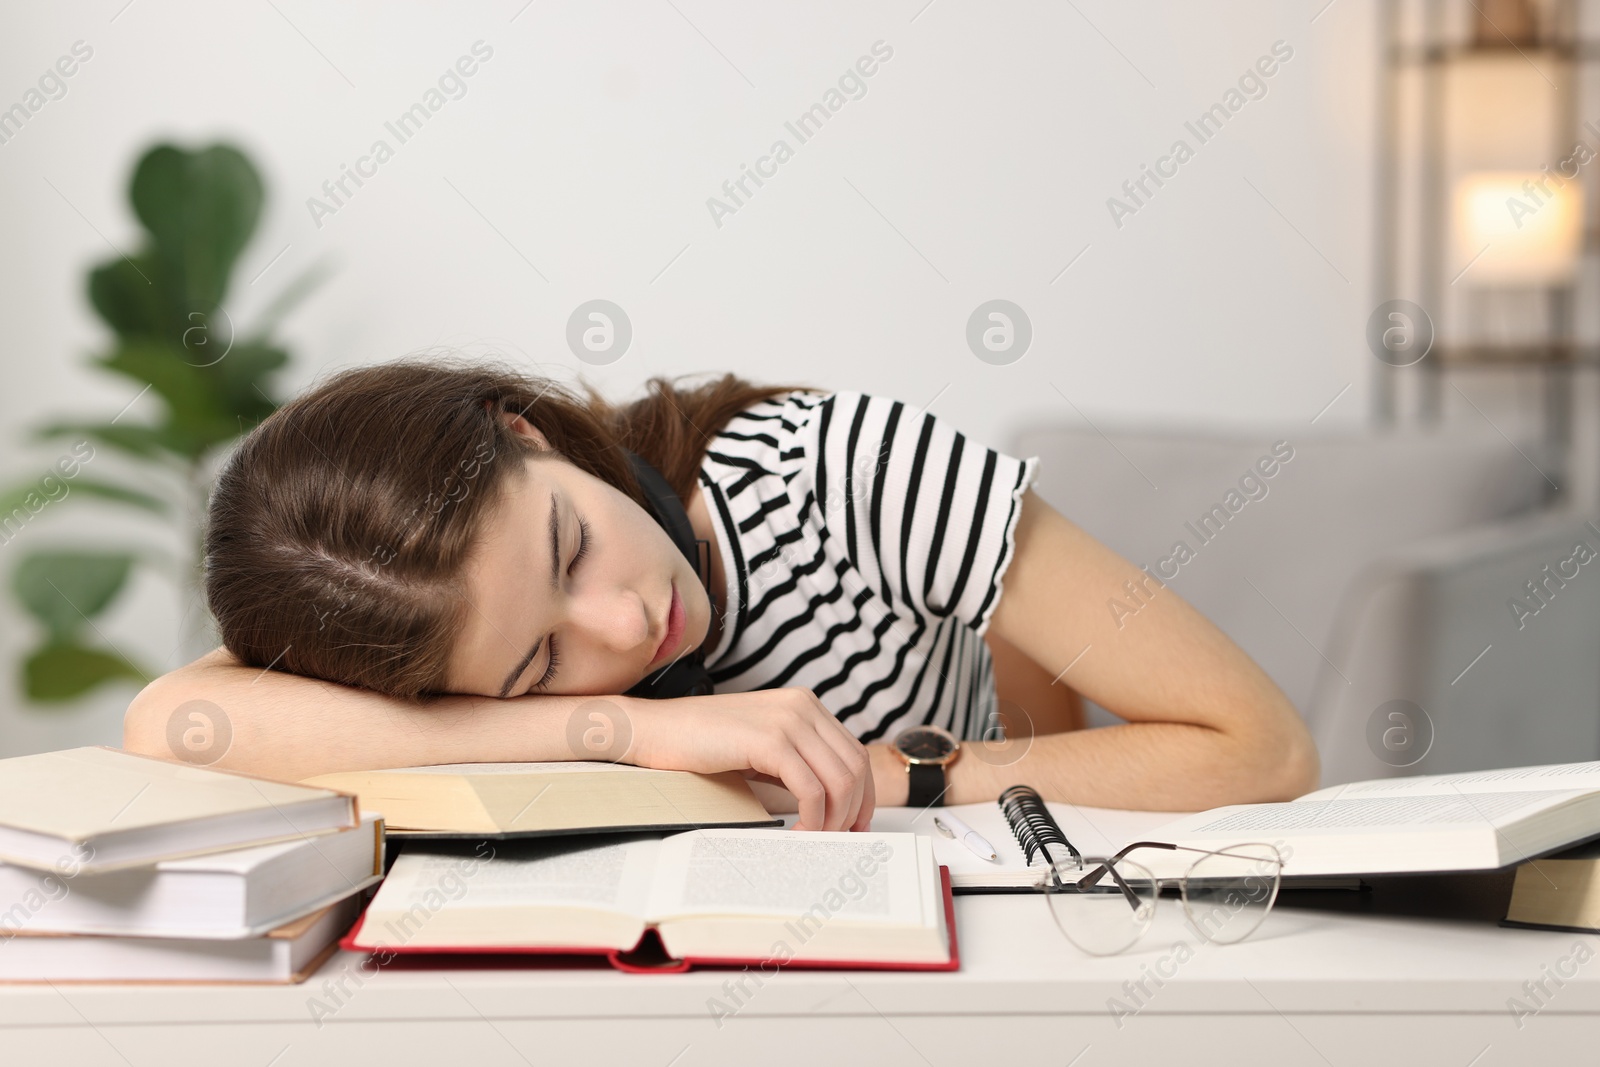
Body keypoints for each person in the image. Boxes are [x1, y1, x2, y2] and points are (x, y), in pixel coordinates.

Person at [122, 356, 1318, 832]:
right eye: (539, 662)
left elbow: (1258, 747)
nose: (627, 625)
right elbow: (167, 722)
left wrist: (903, 774)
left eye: (571, 548)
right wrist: (641, 727)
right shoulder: (595, 680)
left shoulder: (843, 473)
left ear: (525, 430)